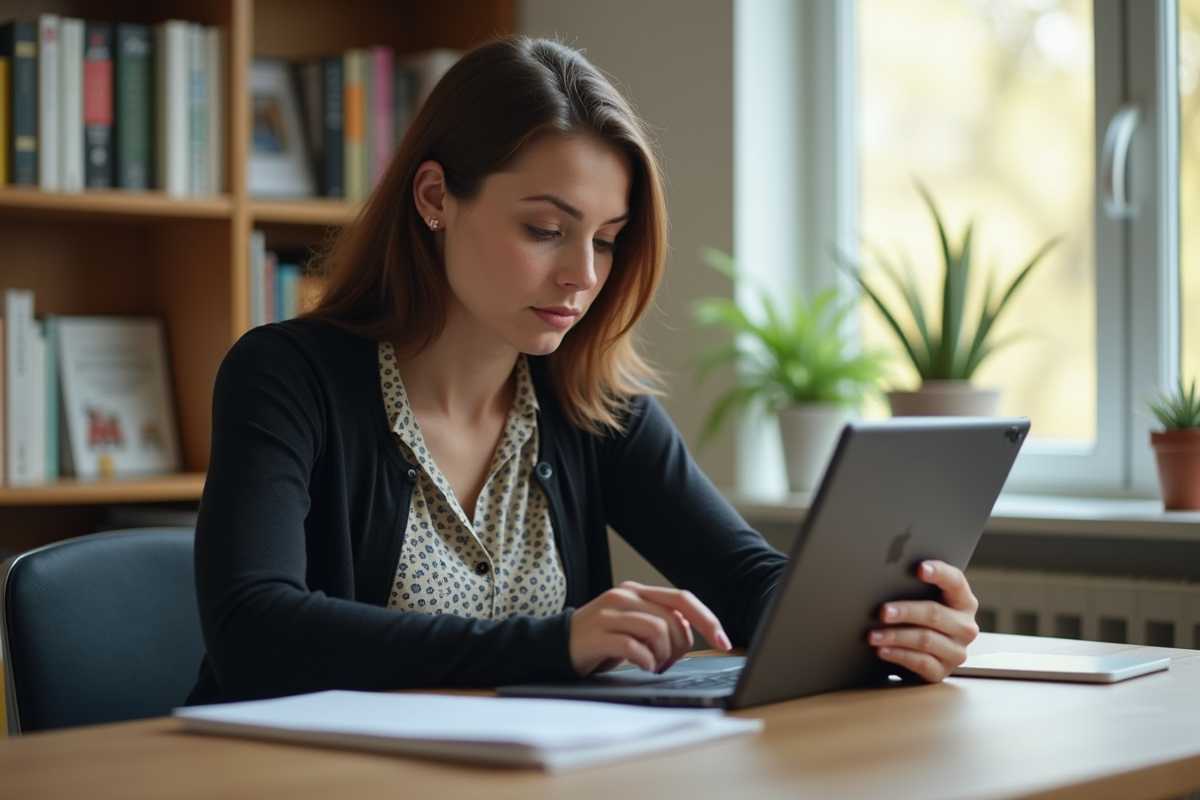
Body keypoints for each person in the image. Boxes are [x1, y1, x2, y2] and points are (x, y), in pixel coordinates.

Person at [187, 35, 980, 705]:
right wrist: (556, 644)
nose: (583, 275)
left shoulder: (591, 403)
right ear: (435, 196)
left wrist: (889, 626)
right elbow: (253, 631)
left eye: (605, 238)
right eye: (544, 229)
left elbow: (752, 582)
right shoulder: (285, 377)